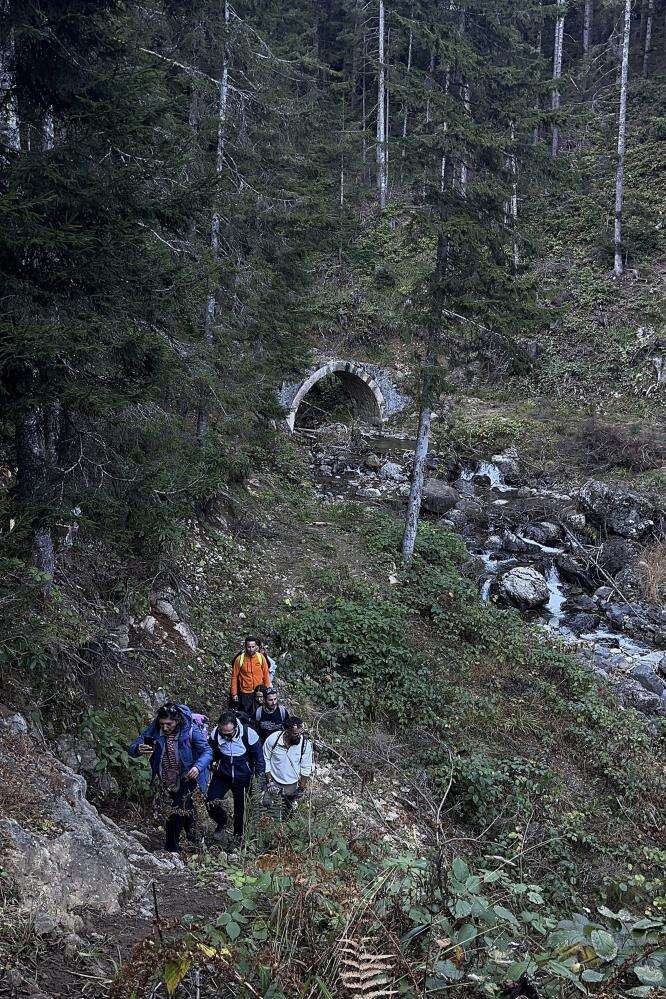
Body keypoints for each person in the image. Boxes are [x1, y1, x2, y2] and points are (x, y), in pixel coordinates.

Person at [128, 703, 212, 855]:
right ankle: (194, 839)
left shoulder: (190, 730)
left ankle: (171, 848)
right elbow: (136, 744)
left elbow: (207, 751)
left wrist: (197, 767)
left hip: (189, 775)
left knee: (177, 809)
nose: (165, 728)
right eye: (162, 724)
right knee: (186, 807)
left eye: (169, 724)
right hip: (169, 776)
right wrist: (138, 748)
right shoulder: (155, 729)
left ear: (178, 720)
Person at [207, 709, 265, 845]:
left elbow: (259, 759)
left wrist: (260, 780)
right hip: (222, 774)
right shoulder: (215, 733)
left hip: (243, 776)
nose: (226, 737)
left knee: (241, 811)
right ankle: (222, 821)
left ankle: (238, 839)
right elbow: (209, 751)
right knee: (210, 802)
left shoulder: (249, 734)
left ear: (236, 727)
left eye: (230, 733)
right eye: (224, 734)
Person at [262, 717, 312, 818]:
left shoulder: (305, 744)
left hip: (291, 784)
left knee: (287, 810)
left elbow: (306, 767)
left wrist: (301, 788)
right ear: (286, 731)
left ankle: (283, 828)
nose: (298, 736)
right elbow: (265, 759)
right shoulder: (273, 739)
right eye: (295, 734)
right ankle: (270, 827)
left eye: (299, 733)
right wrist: (270, 781)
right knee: (267, 804)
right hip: (274, 780)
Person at [229, 636, 271, 715]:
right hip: (245, 692)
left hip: (259, 692)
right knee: (246, 714)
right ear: (245, 646)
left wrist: (267, 690)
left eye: (253, 647)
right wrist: (234, 694)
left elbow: (266, 674)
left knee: (260, 713)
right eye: (249, 647)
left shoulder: (260, 657)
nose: (251, 649)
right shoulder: (239, 659)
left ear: (256, 647)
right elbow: (234, 677)